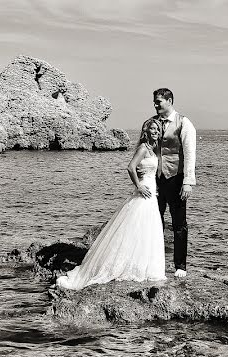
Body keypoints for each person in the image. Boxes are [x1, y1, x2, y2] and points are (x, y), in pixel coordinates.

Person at [56, 119, 167, 290]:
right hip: (144, 192)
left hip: (152, 193)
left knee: (147, 230)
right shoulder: (143, 148)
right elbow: (131, 167)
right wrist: (138, 186)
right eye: (152, 129)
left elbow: (155, 172)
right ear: (146, 131)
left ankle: (145, 267)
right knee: (136, 228)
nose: (155, 132)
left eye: (158, 129)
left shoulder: (155, 150)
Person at [140, 87, 196, 278]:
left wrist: (188, 181)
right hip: (155, 180)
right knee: (154, 221)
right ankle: (154, 262)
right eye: (154, 102)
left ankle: (180, 266)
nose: (155, 105)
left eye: (159, 102)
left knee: (179, 223)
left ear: (169, 101)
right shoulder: (151, 123)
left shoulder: (184, 123)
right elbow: (144, 148)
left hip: (176, 178)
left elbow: (189, 154)